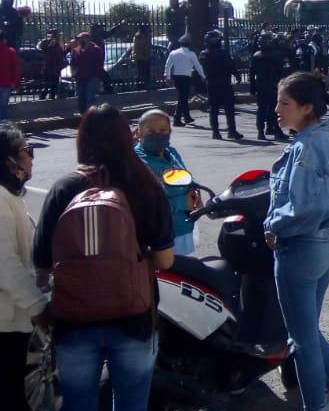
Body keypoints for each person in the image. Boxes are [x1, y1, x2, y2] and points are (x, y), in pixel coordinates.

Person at [32, 105, 174, 411]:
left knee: (78, 403)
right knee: (131, 403)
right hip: (134, 316)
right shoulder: (146, 185)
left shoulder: (65, 188)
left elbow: (40, 263)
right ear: (127, 137)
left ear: (82, 140)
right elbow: (165, 260)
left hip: (73, 318)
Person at [265, 72, 329, 411]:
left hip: (301, 251)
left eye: (284, 103)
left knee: (301, 339)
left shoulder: (305, 148)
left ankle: (319, 406)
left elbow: (302, 208)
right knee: (309, 330)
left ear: (306, 108)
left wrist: (272, 226)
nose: (277, 109)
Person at [0, 122, 46, 411]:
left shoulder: (13, 196)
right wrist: (39, 306)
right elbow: (5, 263)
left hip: (14, 320)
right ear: (9, 161)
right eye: (27, 151)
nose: (31, 157)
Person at [135, 109, 200, 255]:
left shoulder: (171, 152)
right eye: (150, 131)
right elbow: (146, 206)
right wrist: (183, 202)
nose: (157, 134)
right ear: (139, 133)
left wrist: (194, 191)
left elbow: (184, 176)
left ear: (170, 131)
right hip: (160, 238)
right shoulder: (137, 162)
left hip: (183, 229)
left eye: (163, 130)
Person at [199, 30, 243, 141]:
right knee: (229, 108)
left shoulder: (203, 54)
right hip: (224, 83)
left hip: (211, 84)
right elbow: (231, 66)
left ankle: (216, 132)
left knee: (214, 109)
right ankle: (231, 131)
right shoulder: (223, 53)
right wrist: (237, 75)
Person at [250, 34, 288, 142]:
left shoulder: (256, 55)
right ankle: (277, 131)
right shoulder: (276, 55)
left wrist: (252, 87)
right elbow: (281, 72)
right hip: (272, 85)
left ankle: (261, 131)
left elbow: (251, 73)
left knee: (261, 109)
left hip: (261, 85)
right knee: (274, 109)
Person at [163, 35, 205, 127]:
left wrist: (167, 76)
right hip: (186, 77)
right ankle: (177, 118)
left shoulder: (173, 53)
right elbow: (198, 66)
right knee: (183, 98)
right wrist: (203, 76)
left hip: (176, 77)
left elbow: (168, 65)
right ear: (189, 44)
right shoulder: (191, 54)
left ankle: (187, 116)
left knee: (183, 97)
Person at [68, 32, 102, 114]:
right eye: (79, 39)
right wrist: (73, 74)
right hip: (80, 78)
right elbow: (72, 63)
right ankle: (83, 117)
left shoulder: (96, 49)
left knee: (89, 97)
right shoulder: (76, 50)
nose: (79, 40)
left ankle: (91, 116)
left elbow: (100, 65)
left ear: (88, 39)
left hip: (92, 78)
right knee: (80, 98)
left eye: (81, 38)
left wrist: (97, 77)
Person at [0, 33, 22, 122]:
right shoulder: (10, 51)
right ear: (4, 40)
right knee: (3, 105)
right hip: (6, 83)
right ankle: (2, 125)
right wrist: (17, 84)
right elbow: (16, 69)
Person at [38, 29, 65, 100]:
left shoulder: (55, 44)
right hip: (51, 69)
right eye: (59, 35)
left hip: (52, 69)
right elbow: (52, 56)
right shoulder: (52, 44)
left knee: (51, 86)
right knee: (50, 86)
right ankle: (45, 98)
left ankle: (47, 98)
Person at [131, 25, 153, 91]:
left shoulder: (138, 36)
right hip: (142, 57)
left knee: (143, 73)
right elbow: (144, 45)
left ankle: (143, 86)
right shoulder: (140, 37)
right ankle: (141, 86)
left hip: (143, 57)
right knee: (142, 74)